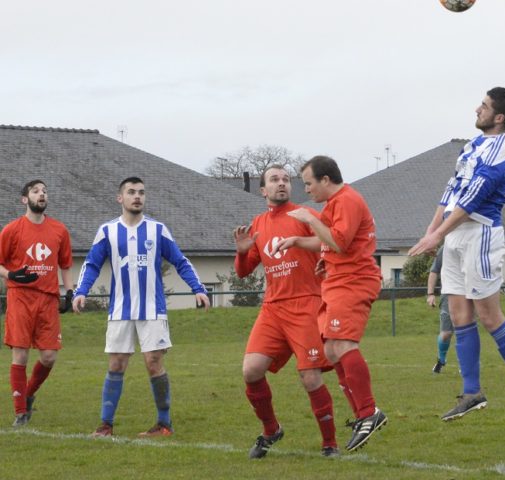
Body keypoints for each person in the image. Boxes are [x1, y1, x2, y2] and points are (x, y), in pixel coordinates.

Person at [408, 86, 505, 424]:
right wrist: (432, 231)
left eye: (483, 106)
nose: (476, 109)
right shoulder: (472, 145)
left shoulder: (503, 148)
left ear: (499, 117)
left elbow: (474, 198)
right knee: (458, 315)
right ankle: (472, 393)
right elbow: (452, 189)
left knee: (489, 315)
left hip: (480, 234)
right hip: (454, 235)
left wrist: (438, 233)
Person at [73, 176, 211, 437]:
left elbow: (180, 261)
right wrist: (81, 291)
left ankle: (164, 424)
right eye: (131, 192)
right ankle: (105, 426)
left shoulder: (158, 230)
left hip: (152, 308)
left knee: (153, 362)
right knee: (116, 364)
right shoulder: (108, 231)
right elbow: (91, 264)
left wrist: (199, 289)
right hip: (120, 309)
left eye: (141, 192)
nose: (137, 196)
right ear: (120, 198)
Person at [274, 155, 386, 452]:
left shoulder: (347, 200)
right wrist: (299, 242)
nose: (307, 190)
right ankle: (362, 413)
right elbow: (328, 242)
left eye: (309, 183)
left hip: (353, 281)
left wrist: (310, 220)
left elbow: (339, 242)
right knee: (331, 349)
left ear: (325, 179)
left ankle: (369, 413)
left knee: (343, 344)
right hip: (337, 281)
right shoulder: (334, 204)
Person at [233, 166, 338, 458]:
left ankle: (330, 444)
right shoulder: (258, 223)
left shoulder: (305, 215)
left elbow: (333, 241)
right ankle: (271, 430)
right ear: (263, 191)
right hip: (273, 308)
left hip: (306, 304)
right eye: (274, 180)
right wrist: (242, 252)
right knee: (251, 370)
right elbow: (243, 272)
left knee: (310, 377)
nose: (282, 184)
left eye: (286, 180)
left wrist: (322, 258)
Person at [1, 180, 74, 427]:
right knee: (20, 355)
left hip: (48, 299)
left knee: (49, 356)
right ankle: (20, 412)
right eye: (35, 191)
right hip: (20, 297)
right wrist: (11, 274)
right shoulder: (12, 230)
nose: (41, 194)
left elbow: (65, 265)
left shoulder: (59, 230)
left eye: (44, 191)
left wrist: (69, 292)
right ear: (25, 199)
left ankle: (28, 394)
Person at [427, 246, 454, 374]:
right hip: (448, 295)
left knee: (464, 332)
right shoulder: (445, 248)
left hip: (468, 294)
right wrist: (430, 294)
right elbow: (434, 271)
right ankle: (441, 360)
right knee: (446, 333)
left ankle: (467, 365)